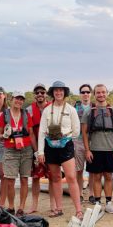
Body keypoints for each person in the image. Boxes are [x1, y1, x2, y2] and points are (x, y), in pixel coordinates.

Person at [37, 80, 83, 219]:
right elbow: (41, 132)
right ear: (52, 93)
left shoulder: (71, 109)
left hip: (66, 145)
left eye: (61, 90)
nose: (58, 93)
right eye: (56, 90)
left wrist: (65, 135)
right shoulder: (47, 110)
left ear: (64, 92)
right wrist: (40, 152)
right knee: (55, 177)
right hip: (50, 146)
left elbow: (76, 131)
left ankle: (78, 210)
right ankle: (58, 208)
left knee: (70, 177)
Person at [0, 91, 37, 217]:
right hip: (10, 150)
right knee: (10, 180)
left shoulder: (26, 115)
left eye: (21, 99)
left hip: (26, 149)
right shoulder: (4, 115)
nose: (19, 101)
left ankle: (21, 208)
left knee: (24, 179)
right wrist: (5, 135)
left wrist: (36, 151)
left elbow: (31, 134)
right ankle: (11, 207)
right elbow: (0, 136)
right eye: (17, 98)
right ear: (11, 99)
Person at [81, 84, 113, 213]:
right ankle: (98, 203)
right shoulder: (89, 112)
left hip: (110, 148)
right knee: (97, 177)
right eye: (98, 93)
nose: (101, 95)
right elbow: (84, 133)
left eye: (103, 92)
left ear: (107, 93)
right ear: (95, 94)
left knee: (109, 176)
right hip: (95, 149)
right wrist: (87, 150)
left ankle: (109, 203)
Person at [26, 83, 55, 214]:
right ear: (34, 95)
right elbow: (30, 132)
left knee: (53, 176)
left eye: (42, 92)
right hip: (36, 146)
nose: (39, 95)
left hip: (51, 146)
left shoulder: (52, 107)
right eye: (37, 92)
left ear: (46, 94)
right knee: (36, 177)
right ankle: (34, 205)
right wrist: (37, 150)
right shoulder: (29, 110)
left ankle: (53, 204)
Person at [74, 84, 94, 203]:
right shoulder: (74, 108)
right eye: (83, 92)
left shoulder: (95, 107)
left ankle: (91, 194)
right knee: (79, 170)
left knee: (92, 169)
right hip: (78, 141)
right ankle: (80, 193)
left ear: (90, 94)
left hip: (93, 141)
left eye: (87, 92)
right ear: (80, 94)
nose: (85, 94)